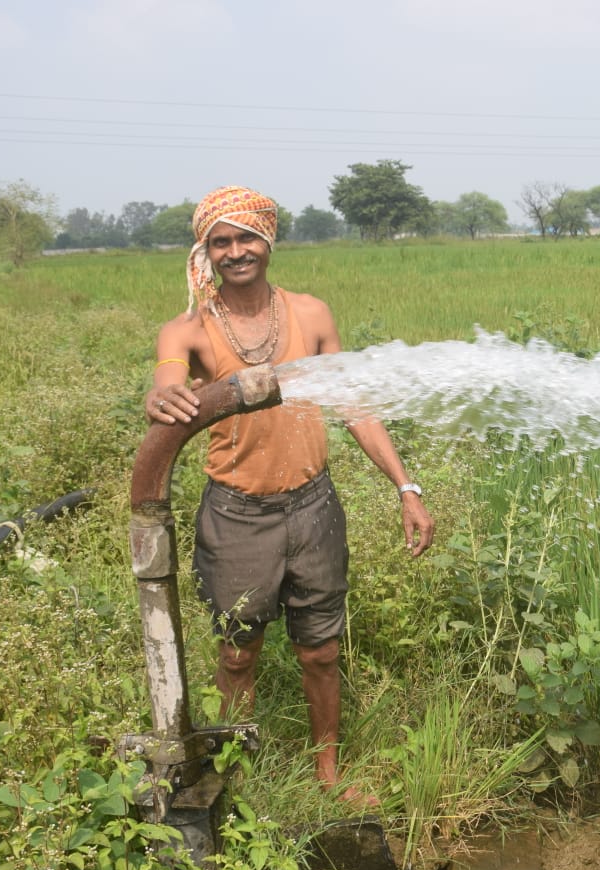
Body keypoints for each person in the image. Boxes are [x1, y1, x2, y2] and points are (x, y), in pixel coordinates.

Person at [145, 184, 433, 800]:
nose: (235, 251)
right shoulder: (189, 330)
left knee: (321, 652)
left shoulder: (310, 315)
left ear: (268, 241)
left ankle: (328, 775)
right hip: (237, 515)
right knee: (239, 656)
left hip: (313, 507)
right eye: (220, 242)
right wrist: (160, 392)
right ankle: (241, 781)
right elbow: (167, 376)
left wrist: (406, 486)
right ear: (207, 251)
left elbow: (353, 403)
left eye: (246, 237)